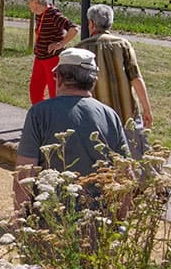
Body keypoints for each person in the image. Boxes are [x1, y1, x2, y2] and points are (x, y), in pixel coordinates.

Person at [13, 47, 129, 213]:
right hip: (100, 220)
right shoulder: (110, 115)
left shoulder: (39, 113)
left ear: (59, 78)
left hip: (51, 218)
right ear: (93, 80)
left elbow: (25, 173)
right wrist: (121, 221)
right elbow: (125, 174)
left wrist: (20, 219)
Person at [77, 4, 154, 159]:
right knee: (138, 158)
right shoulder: (123, 44)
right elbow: (136, 78)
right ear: (110, 23)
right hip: (127, 114)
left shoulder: (82, 48)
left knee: (104, 161)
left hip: (97, 118)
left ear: (91, 24)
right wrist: (147, 109)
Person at [25, 0, 78, 104]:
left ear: (36, 2)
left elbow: (74, 28)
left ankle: (55, 118)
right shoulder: (39, 14)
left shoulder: (53, 14)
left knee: (54, 92)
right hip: (40, 57)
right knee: (35, 90)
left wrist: (61, 44)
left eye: (29, 2)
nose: (28, 5)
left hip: (52, 59)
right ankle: (39, 115)